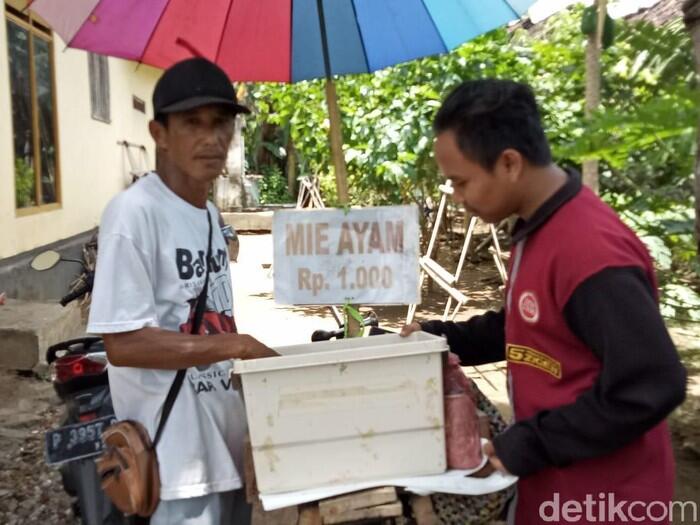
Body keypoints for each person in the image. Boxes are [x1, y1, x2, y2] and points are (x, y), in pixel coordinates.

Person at [401, 79, 686, 524]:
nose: (456, 197)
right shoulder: (537, 227)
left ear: (510, 163)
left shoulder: (590, 251)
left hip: (605, 500)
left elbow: (652, 384)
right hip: (553, 490)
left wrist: (527, 443)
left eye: (461, 182)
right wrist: (439, 336)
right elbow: (526, 326)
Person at [87, 57, 277, 525]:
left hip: (224, 447)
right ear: (159, 133)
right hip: (173, 462)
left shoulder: (210, 215)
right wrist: (235, 345)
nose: (211, 138)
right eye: (193, 123)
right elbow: (123, 343)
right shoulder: (133, 215)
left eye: (222, 124)